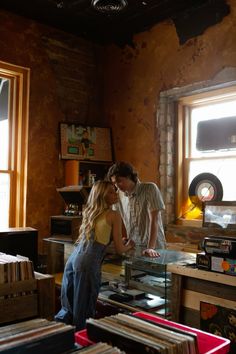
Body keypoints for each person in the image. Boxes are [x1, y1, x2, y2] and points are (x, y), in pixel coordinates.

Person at [54, 180, 135, 331]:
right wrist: (129, 245)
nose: (115, 194)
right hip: (88, 262)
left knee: (68, 306)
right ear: (102, 195)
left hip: (74, 258)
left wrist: (114, 242)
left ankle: (61, 339)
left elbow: (96, 239)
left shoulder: (89, 211)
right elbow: (119, 249)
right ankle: (82, 345)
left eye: (115, 190)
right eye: (111, 191)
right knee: (84, 308)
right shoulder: (114, 215)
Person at [107, 161, 166, 258]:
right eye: (114, 183)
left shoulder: (150, 189)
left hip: (155, 247)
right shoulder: (118, 196)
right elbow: (114, 222)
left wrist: (150, 247)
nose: (117, 186)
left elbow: (154, 220)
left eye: (119, 181)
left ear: (129, 176)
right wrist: (120, 240)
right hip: (134, 247)